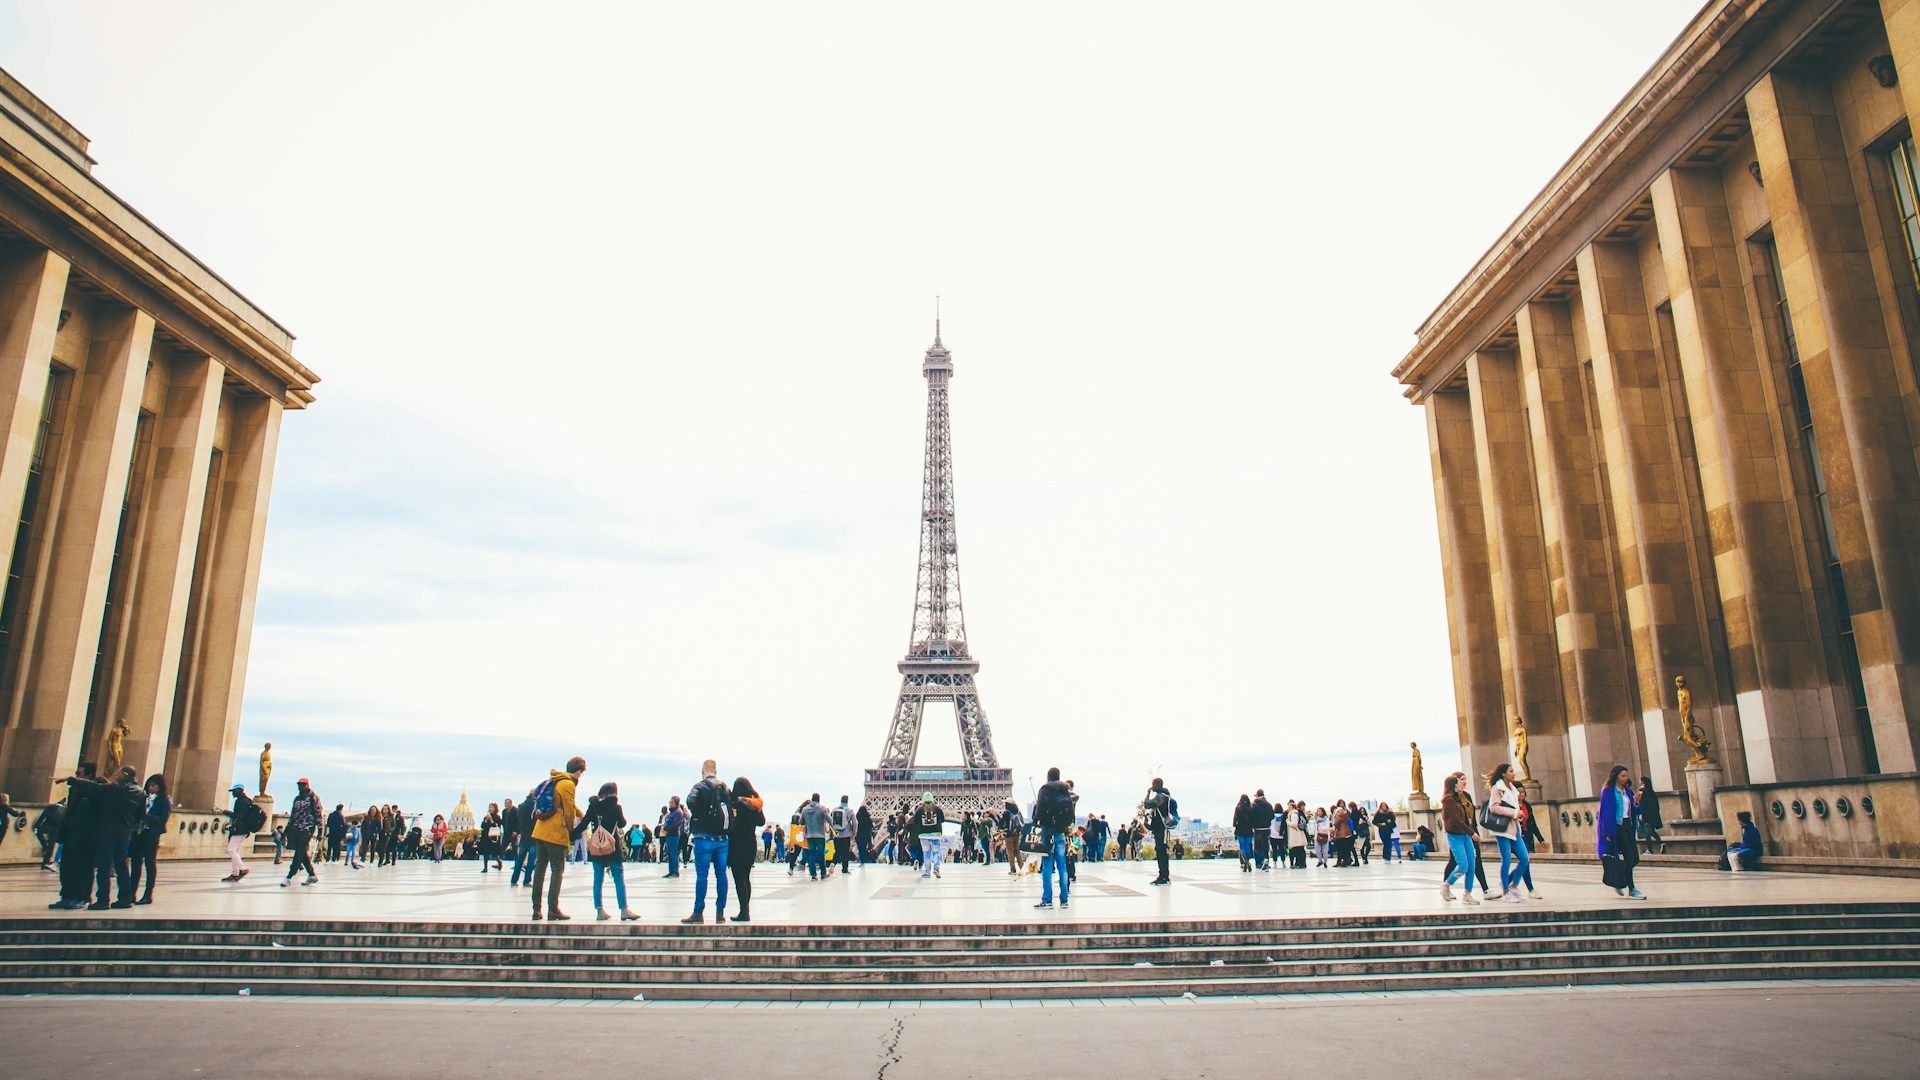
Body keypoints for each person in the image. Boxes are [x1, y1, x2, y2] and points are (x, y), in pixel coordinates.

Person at [529, 756, 585, 920]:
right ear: (579, 772)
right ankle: (553, 909)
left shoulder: (555, 779)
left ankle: (536, 909)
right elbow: (568, 811)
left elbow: (566, 803)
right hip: (555, 833)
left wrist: (581, 813)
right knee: (557, 870)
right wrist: (571, 832)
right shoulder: (568, 784)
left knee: (539, 870)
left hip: (541, 830)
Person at [682, 759, 733, 925]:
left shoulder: (700, 786)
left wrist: (700, 814)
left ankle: (698, 912)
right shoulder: (724, 787)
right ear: (716, 772)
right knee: (722, 876)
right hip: (722, 839)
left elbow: (691, 801)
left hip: (704, 838)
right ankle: (720, 913)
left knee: (702, 876)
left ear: (702, 771)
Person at [581, 782, 637, 921]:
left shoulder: (593, 806)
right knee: (618, 879)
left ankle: (599, 910)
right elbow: (623, 823)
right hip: (612, 848)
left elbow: (584, 823)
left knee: (597, 879)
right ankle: (624, 910)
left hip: (596, 848)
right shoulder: (616, 807)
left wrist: (571, 836)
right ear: (613, 793)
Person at [1597, 764, 1646, 899]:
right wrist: (1607, 833)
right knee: (1629, 857)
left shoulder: (1627, 791)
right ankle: (1632, 889)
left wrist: (1637, 802)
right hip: (1616, 827)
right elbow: (1605, 812)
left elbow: (1634, 810)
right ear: (1616, 776)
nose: (1625, 778)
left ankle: (1618, 881)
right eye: (1622, 776)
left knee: (1635, 858)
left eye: (1626, 776)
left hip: (1627, 826)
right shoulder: (1608, 791)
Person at [1484, 764, 1528, 903]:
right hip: (1502, 830)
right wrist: (1515, 813)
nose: (1513, 773)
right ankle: (1505, 892)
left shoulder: (1513, 789)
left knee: (1525, 858)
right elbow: (1493, 808)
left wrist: (1519, 814)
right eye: (1511, 771)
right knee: (1506, 861)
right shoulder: (1497, 789)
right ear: (1504, 774)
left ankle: (1513, 885)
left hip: (1514, 829)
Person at [125, 774, 171, 905]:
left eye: (154, 785)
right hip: (138, 833)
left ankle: (147, 894)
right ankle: (131, 893)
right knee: (135, 863)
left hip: (151, 834)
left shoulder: (164, 799)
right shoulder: (143, 797)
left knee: (149, 863)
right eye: (149, 785)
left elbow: (163, 818)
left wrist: (146, 817)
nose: (151, 788)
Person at [1034, 767, 1074, 908]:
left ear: (1048, 776)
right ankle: (1064, 900)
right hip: (1061, 832)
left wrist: (1036, 819)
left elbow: (1038, 813)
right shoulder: (1065, 790)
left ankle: (1047, 900)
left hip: (1047, 832)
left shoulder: (1044, 790)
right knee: (1062, 866)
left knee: (1047, 866)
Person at [1440, 771, 1481, 904]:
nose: (1461, 784)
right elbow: (1457, 820)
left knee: (1471, 866)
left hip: (1465, 836)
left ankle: (1467, 895)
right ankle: (1446, 885)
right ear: (1453, 785)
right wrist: (1472, 833)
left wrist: (1470, 832)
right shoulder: (1448, 800)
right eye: (1458, 782)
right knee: (1463, 866)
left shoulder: (1459, 799)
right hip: (1455, 836)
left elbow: (1467, 818)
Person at [728, 777, 765, 923]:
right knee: (746, 877)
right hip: (751, 842)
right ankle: (745, 909)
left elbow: (733, 825)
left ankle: (744, 911)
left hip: (738, 843)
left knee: (739, 878)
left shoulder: (737, 803)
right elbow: (761, 821)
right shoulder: (754, 802)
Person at [281, 777, 322, 887]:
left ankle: (289, 876)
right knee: (302, 851)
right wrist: (285, 832)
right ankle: (312, 875)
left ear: (307, 785)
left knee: (299, 851)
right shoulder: (297, 798)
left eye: (303, 785)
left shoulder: (313, 797)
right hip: (296, 828)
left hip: (308, 828)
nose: (301, 787)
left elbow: (318, 814)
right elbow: (293, 815)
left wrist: (320, 831)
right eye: (299, 785)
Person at [222, 782, 259, 884]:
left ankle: (243, 869)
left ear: (240, 791)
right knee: (234, 851)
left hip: (240, 830)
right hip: (242, 830)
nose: (233, 793)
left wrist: (228, 813)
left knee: (230, 850)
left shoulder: (241, 801)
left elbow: (240, 816)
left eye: (234, 791)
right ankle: (235, 874)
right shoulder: (245, 801)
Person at [1143, 778, 1174, 886]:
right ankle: (1163, 876)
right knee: (1160, 852)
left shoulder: (1160, 797)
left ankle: (1164, 876)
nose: (1152, 786)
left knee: (1161, 852)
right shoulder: (1163, 796)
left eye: (1153, 784)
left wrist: (1147, 794)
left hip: (1161, 828)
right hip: (1160, 828)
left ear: (1157, 785)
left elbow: (1147, 804)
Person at [913, 792, 946, 879]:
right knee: (936, 852)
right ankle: (936, 868)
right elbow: (943, 820)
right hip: (936, 835)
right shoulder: (937, 809)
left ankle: (927, 872)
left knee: (926, 853)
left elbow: (915, 821)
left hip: (923, 835)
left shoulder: (919, 809)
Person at [800, 793, 830, 881]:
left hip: (809, 835)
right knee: (821, 855)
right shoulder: (822, 808)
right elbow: (829, 819)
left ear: (812, 799)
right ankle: (823, 873)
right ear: (819, 799)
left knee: (811, 855)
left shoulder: (805, 809)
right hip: (820, 835)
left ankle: (813, 875)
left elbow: (801, 821)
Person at [659, 795, 686, 879]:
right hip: (669, 835)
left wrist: (666, 828)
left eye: (671, 802)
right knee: (670, 854)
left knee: (674, 854)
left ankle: (675, 872)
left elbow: (675, 824)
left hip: (673, 835)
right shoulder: (672, 812)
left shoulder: (678, 812)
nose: (669, 803)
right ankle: (671, 872)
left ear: (675, 803)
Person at [1638, 778, 1665, 855]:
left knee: (1647, 832)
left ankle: (1649, 850)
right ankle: (1661, 843)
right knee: (1651, 831)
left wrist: (1641, 814)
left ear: (1642, 782)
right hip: (1653, 814)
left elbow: (1640, 802)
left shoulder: (1642, 790)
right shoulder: (1652, 792)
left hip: (1646, 814)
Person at [831, 795, 855, 876]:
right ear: (847, 801)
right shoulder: (849, 810)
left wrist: (833, 832)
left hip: (836, 835)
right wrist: (853, 833)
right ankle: (844, 870)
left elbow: (831, 821)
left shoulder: (834, 809)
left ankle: (833, 863)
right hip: (846, 835)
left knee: (837, 851)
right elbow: (855, 823)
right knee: (845, 853)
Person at [1231, 794, 1255, 872]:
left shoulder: (1238, 808)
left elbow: (1235, 820)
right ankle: (1247, 861)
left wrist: (1235, 825)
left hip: (1240, 830)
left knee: (1242, 847)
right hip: (1248, 830)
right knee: (1248, 846)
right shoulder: (1250, 808)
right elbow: (1253, 819)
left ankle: (1245, 862)